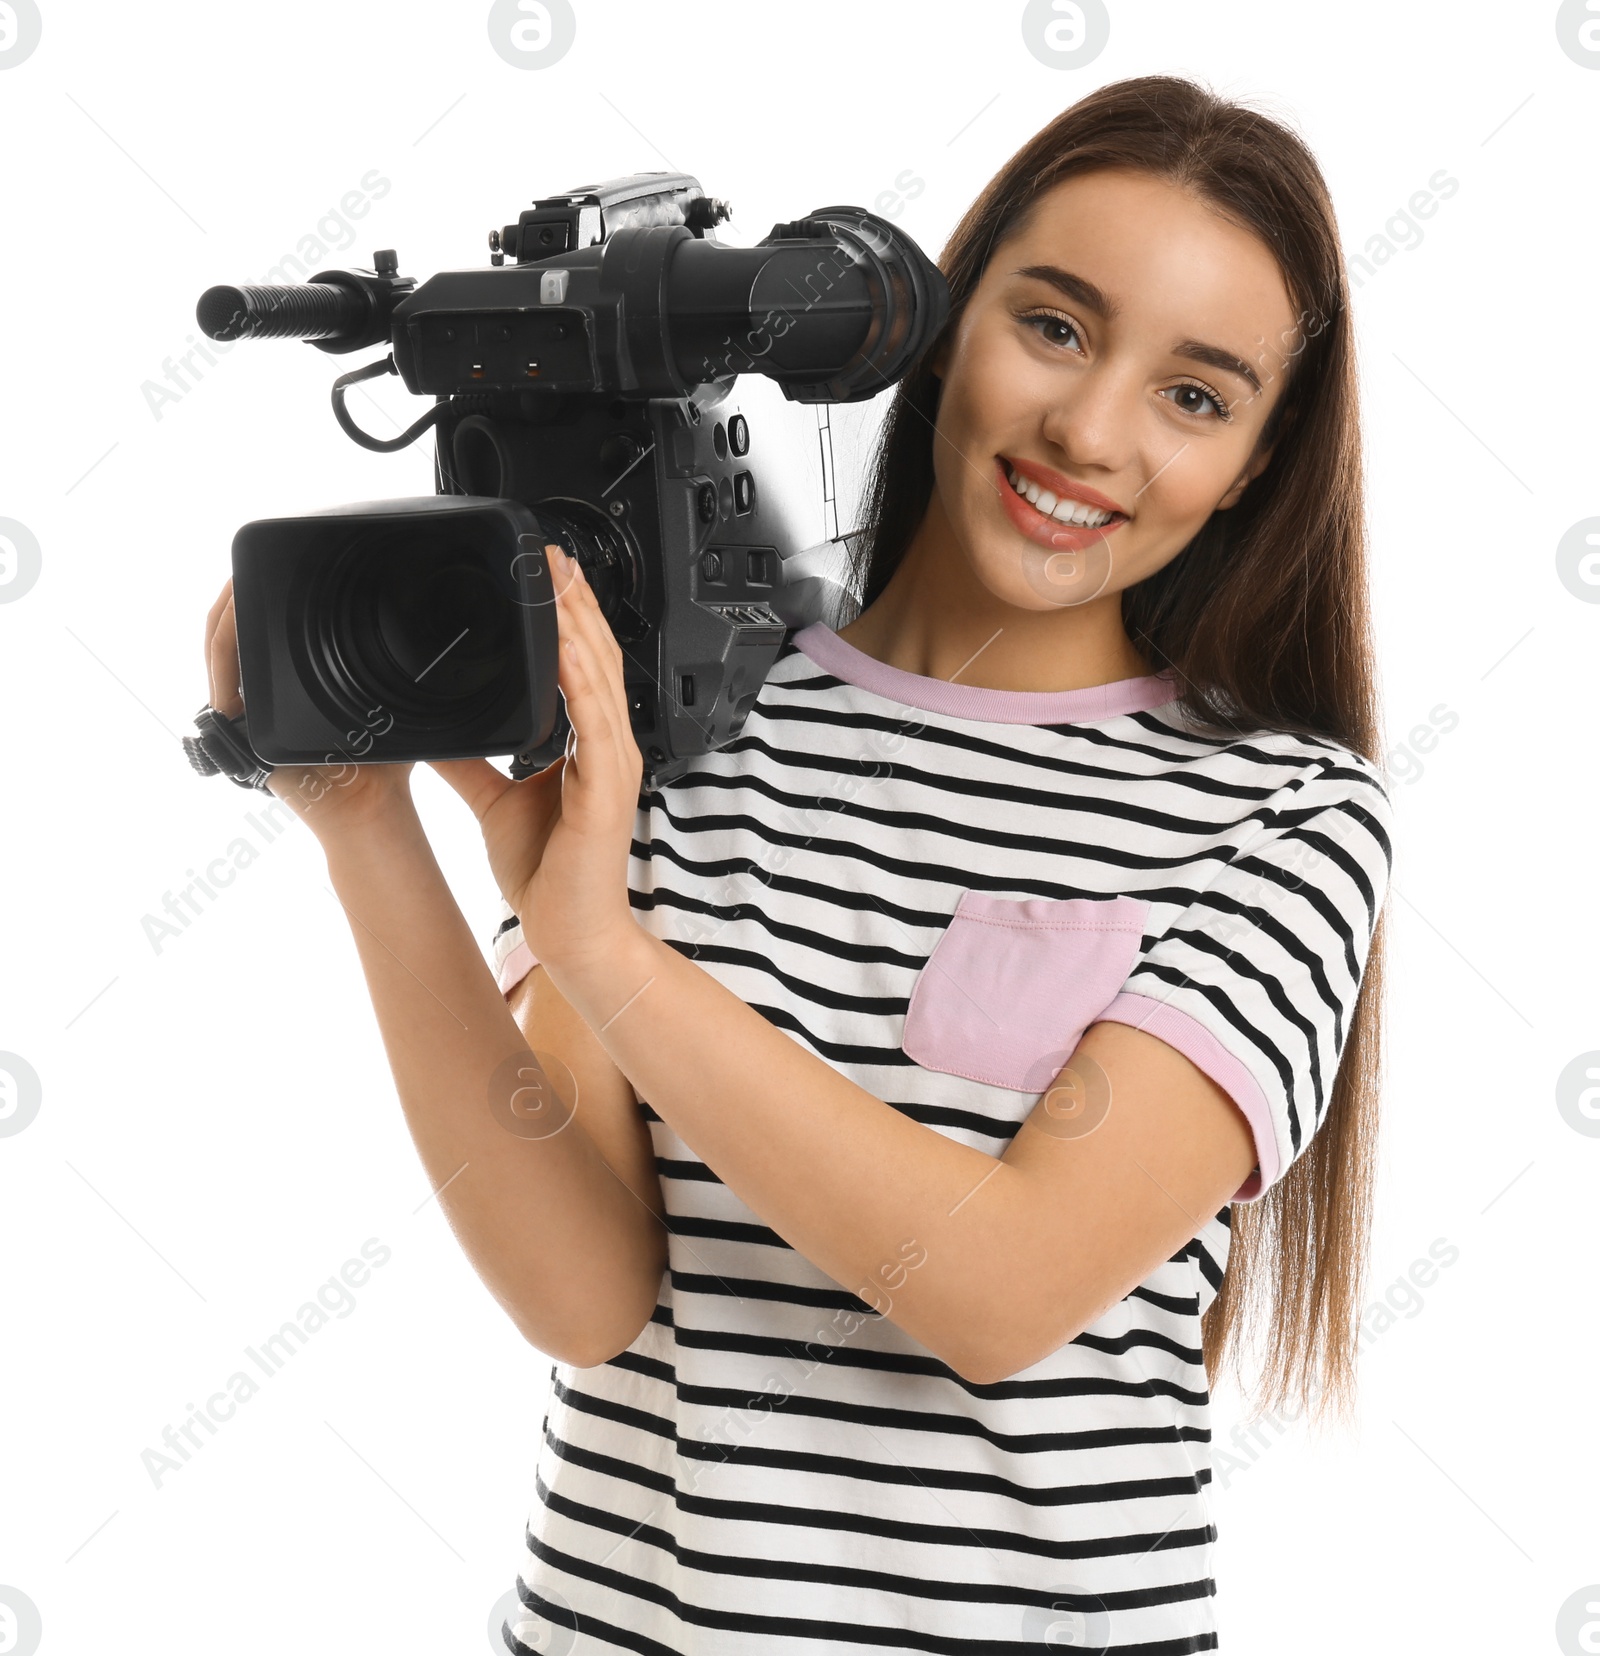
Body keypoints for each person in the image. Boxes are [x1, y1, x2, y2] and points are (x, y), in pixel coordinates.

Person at [204, 74, 1393, 1654]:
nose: (1091, 432)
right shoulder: (678, 714)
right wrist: (367, 836)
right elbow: (586, 1298)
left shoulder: (1287, 818)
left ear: (1254, 460)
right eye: (1053, 326)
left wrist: (616, 957)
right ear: (949, 331)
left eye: (1196, 396)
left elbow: (997, 1293)